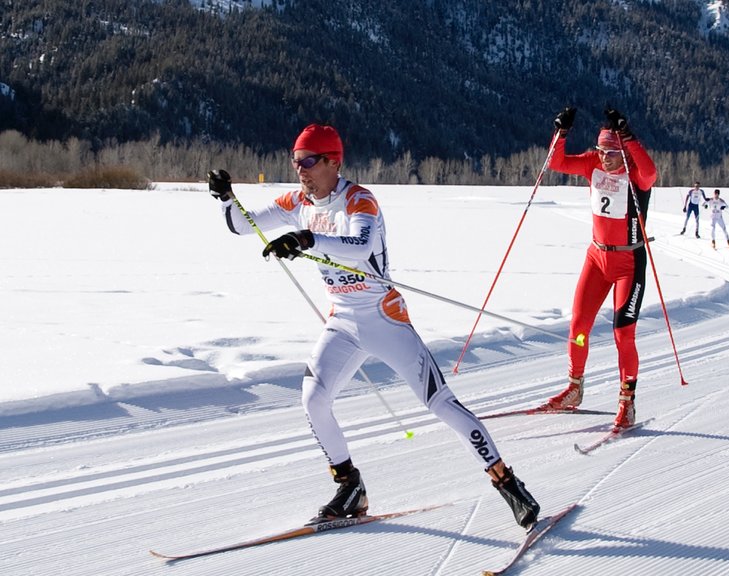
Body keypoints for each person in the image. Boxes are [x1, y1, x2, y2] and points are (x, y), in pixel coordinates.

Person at [206, 124, 539, 529]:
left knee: (441, 404)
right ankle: (350, 488)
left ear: (333, 162)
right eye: (296, 161)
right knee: (313, 399)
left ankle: (509, 485)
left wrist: (306, 239)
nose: (300, 170)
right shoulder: (297, 200)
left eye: (309, 161)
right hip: (343, 322)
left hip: (385, 320)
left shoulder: (359, 200)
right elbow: (242, 224)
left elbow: (359, 246)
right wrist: (227, 198)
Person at [539, 106, 657, 429]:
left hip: (628, 262)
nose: (605, 158)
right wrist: (561, 133)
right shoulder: (592, 163)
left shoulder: (634, 173)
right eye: (602, 151)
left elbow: (651, 174)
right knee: (578, 326)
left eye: (612, 152)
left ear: (623, 151)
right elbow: (557, 162)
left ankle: (626, 403)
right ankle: (574, 389)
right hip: (597, 257)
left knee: (623, 334)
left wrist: (629, 137)